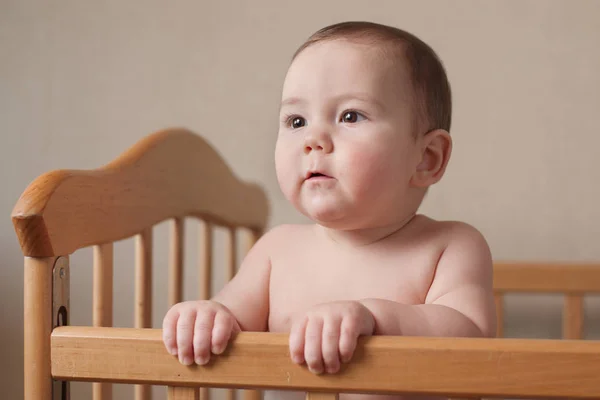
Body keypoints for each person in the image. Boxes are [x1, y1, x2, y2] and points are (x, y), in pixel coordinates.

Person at [162, 21, 496, 400]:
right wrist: (206, 316)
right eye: (296, 121)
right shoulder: (276, 250)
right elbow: (230, 318)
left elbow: (471, 336)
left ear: (426, 158)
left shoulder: (450, 246)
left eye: (350, 116)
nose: (312, 140)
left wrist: (373, 316)